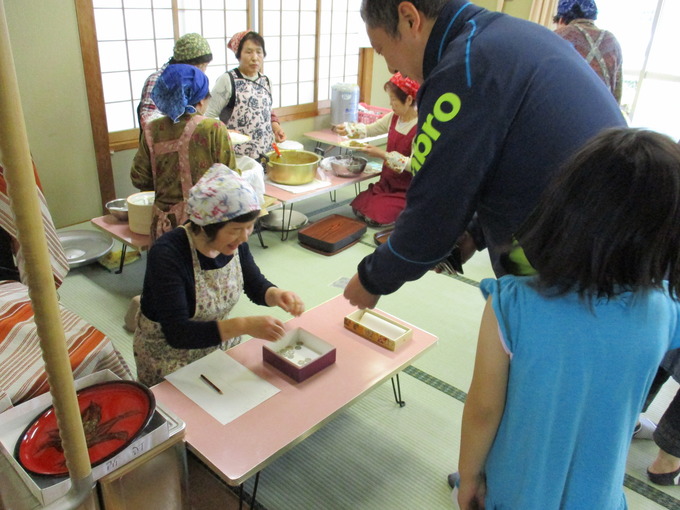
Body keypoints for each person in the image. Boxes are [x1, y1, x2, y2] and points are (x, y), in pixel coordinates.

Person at [454, 127, 680, 509]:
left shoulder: (510, 304)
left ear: (563, 207)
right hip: (599, 497)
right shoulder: (665, 310)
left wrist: (470, 476)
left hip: (514, 492)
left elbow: (483, 410)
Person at [343, 0, 624, 307]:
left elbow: (436, 207)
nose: (391, 67)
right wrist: (474, 234)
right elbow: (508, 159)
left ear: (410, 19)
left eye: (381, 50)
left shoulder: (463, 69)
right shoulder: (509, 35)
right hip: (623, 240)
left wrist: (373, 279)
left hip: (582, 258)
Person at [133, 164, 305, 386]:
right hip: (167, 356)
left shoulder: (234, 242)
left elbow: (254, 284)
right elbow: (178, 333)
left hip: (217, 343)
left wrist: (276, 294)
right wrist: (245, 325)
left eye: (250, 227)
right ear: (206, 225)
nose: (244, 237)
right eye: (235, 230)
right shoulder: (168, 254)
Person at [131, 64, 236, 241]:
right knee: (201, 268)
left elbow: (139, 178)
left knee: (169, 267)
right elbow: (231, 179)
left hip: (164, 226)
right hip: (205, 226)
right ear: (201, 100)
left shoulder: (152, 130)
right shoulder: (213, 128)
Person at [333, 72, 419, 227]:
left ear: (408, 100)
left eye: (393, 100)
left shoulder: (420, 127)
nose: (391, 104)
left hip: (406, 188)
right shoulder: (394, 117)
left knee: (375, 213)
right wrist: (347, 130)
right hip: (386, 183)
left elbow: (414, 165)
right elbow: (369, 130)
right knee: (359, 205)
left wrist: (381, 154)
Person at [205, 30, 286, 158]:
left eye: (259, 52)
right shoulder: (227, 80)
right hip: (236, 157)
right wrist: (224, 132)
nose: (255, 57)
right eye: (248, 52)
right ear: (239, 55)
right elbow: (209, 115)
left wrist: (276, 128)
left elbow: (267, 111)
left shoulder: (266, 81)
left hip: (265, 153)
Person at [137, 33, 213, 130]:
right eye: (201, 66)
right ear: (186, 63)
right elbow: (148, 121)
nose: (203, 71)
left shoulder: (195, 80)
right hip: (163, 142)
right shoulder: (158, 80)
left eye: (205, 66)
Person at [554, 0, 623, 104]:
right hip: (599, 113)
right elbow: (617, 93)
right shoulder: (611, 41)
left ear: (561, 19)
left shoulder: (559, 35)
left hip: (563, 110)